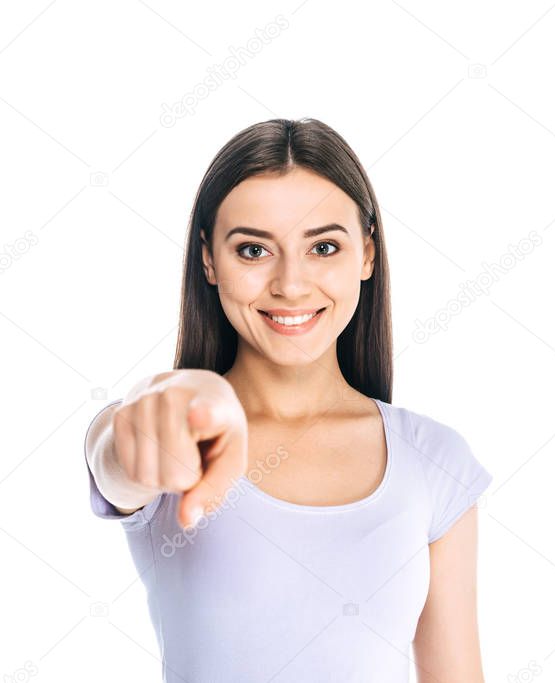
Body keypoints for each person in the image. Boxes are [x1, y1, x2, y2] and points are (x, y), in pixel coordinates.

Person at [83, 118, 494, 682]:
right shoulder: (170, 430)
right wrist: (169, 405)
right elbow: (122, 456)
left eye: (323, 247)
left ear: (367, 254)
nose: (292, 285)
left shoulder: (433, 459)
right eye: (253, 250)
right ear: (209, 260)